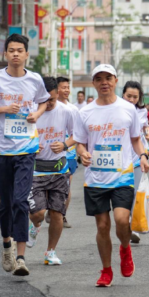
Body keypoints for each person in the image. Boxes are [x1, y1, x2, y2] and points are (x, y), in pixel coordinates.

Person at [0, 34, 50, 277]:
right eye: (11, 50)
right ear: (5, 54)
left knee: (20, 200)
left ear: (27, 54)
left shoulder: (35, 79)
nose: (15, 54)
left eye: (20, 50)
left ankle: (20, 257)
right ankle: (7, 244)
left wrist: (37, 114)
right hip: (1, 149)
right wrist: (4, 108)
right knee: (5, 202)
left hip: (26, 148)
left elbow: (44, 101)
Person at [73, 64, 149, 288]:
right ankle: (106, 270)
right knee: (102, 226)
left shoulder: (128, 109)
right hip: (95, 178)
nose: (104, 82)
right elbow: (80, 143)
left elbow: (135, 139)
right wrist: (82, 153)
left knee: (121, 220)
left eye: (108, 77)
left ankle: (125, 248)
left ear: (116, 81)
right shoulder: (84, 112)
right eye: (99, 79)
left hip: (122, 175)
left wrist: (143, 156)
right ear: (94, 83)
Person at [26, 77, 74, 266]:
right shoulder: (31, 111)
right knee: (38, 213)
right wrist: (31, 145)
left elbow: (77, 135)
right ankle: (35, 225)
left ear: (57, 94)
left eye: (52, 100)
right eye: (44, 100)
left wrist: (64, 145)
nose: (48, 104)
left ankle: (50, 252)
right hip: (35, 169)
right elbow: (19, 136)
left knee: (57, 213)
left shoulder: (67, 111)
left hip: (59, 169)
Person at [121, 81, 149, 245]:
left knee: (136, 193)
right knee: (124, 193)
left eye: (135, 97)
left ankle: (133, 227)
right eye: (129, 96)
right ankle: (124, 222)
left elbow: (145, 126)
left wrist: (148, 133)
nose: (132, 100)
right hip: (120, 159)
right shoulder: (116, 109)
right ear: (123, 94)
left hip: (138, 156)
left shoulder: (142, 111)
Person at [55, 77, 79, 228]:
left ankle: (62, 214)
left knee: (66, 187)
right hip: (50, 155)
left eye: (68, 87)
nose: (67, 90)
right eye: (63, 87)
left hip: (69, 154)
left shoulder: (73, 109)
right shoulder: (48, 107)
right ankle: (52, 210)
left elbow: (77, 133)